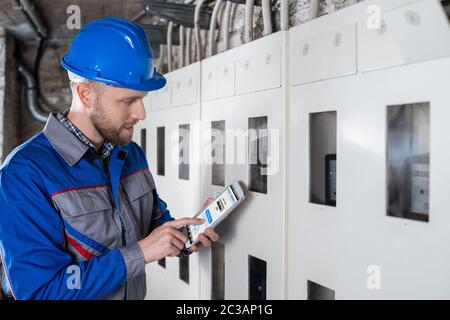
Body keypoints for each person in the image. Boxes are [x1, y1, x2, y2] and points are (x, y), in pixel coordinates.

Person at [0, 17, 218, 300]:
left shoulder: (130, 154)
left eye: (141, 99)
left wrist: (188, 234)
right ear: (85, 94)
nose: (141, 114)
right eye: (128, 101)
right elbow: (41, 291)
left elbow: (155, 226)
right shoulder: (25, 174)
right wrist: (139, 254)